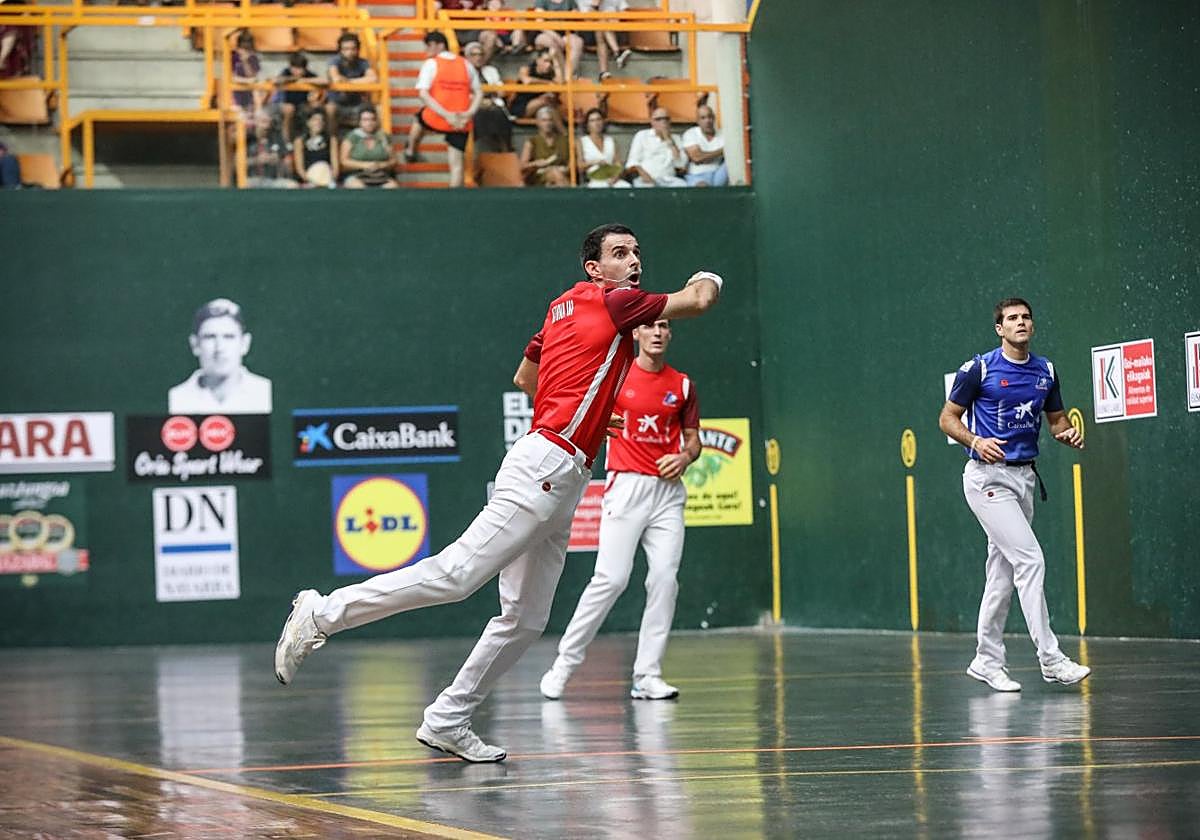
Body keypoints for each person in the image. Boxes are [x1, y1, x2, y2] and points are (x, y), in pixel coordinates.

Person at [274, 223, 724, 763]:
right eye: (620, 253)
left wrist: (587, 411)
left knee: (526, 619)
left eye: (636, 253)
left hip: (561, 471)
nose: (634, 262)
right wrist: (711, 272)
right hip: (545, 468)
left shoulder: (560, 309)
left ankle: (448, 718)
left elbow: (525, 376)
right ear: (594, 268)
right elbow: (699, 299)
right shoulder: (618, 301)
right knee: (457, 574)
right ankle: (322, 613)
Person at [539, 316, 699, 701]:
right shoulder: (617, 378)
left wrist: (684, 457)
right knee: (611, 579)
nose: (658, 332)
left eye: (664, 326)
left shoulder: (682, 385)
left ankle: (647, 675)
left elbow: (693, 440)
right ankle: (563, 665)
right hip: (626, 487)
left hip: (668, 495)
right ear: (637, 333)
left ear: (670, 334)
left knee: (665, 580)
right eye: (651, 327)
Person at [939, 297, 1091, 693]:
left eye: (1025, 317)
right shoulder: (979, 369)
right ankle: (1051, 659)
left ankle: (986, 660)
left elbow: (1056, 420)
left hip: (1024, 480)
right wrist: (976, 440)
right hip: (986, 478)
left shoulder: (1046, 371)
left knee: (1002, 573)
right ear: (1000, 329)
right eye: (1011, 318)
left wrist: (1065, 432)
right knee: (1030, 559)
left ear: (1032, 326)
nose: (1020, 322)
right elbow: (947, 418)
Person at [403, 31, 482, 187]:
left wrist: (446, 114)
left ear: (438, 45)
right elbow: (479, 92)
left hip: (437, 116)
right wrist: (469, 113)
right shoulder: (466, 64)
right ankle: (455, 197)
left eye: (428, 46)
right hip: (460, 120)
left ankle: (410, 149)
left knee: (419, 120)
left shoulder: (431, 64)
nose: (426, 50)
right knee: (457, 164)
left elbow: (423, 94)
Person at [168, 298, 273, 414]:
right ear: (195, 344)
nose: (219, 348)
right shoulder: (175, 399)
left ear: (244, 344)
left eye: (229, 337)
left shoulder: (266, 393)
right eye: (210, 337)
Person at [463, 40, 514, 153]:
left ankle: (506, 149)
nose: (478, 58)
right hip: (473, 106)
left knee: (498, 114)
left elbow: (501, 92)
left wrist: (486, 95)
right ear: (467, 57)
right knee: (480, 115)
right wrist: (482, 99)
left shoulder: (491, 70)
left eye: (481, 54)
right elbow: (464, 94)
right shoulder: (462, 72)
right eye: (474, 55)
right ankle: (474, 151)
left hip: (493, 103)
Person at [325, 33, 378, 130]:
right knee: (330, 109)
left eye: (353, 49)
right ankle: (332, 138)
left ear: (358, 49)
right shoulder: (334, 61)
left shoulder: (363, 62)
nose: (350, 52)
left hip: (357, 104)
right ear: (340, 50)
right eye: (346, 49)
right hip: (337, 103)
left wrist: (348, 81)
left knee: (378, 109)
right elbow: (336, 78)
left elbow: (373, 78)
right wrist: (362, 81)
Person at [624, 107, 687, 187]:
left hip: (669, 179)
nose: (663, 122)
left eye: (666, 119)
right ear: (652, 122)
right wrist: (644, 175)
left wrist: (669, 139)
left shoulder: (676, 138)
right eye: (658, 119)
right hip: (646, 179)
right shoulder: (642, 135)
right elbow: (632, 162)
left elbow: (681, 165)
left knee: (683, 186)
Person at [340, 105, 398, 188]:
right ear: (360, 122)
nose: (369, 123)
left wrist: (381, 165)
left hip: (381, 175)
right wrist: (365, 165)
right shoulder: (352, 137)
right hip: (357, 175)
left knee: (392, 186)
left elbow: (394, 160)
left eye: (372, 119)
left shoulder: (383, 137)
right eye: (365, 120)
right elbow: (344, 161)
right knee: (357, 186)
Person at [272, 52, 324, 143]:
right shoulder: (286, 72)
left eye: (300, 68)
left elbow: (324, 81)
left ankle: (309, 141)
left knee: (315, 107)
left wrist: (304, 80)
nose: (298, 71)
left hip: (302, 105)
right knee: (289, 109)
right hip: (282, 104)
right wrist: (293, 79)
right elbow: (275, 80)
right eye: (295, 68)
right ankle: (287, 142)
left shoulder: (308, 74)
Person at [533, 0, 585, 80]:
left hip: (566, 32)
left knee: (578, 42)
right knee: (551, 42)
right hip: (546, 33)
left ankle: (568, 76)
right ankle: (562, 76)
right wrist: (556, 37)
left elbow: (575, 17)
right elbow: (539, 23)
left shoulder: (570, 1)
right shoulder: (541, 1)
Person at [578, 107, 629, 188]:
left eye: (598, 119)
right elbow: (580, 166)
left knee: (626, 186)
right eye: (592, 120)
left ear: (603, 122)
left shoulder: (611, 141)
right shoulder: (582, 142)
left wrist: (616, 177)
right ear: (587, 124)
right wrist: (595, 162)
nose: (596, 123)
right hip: (594, 179)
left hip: (612, 178)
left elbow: (618, 163)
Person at [244, 110, 296, 188]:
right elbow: (237, 163)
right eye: (263, 122)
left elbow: (286, 159)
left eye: (269, 122)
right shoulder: (247, 139)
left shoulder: (276, 138)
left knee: (292, 185)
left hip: (272, 179)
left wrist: (276, 159)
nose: (267, 126)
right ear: (256, 122)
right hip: (252, 179)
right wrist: (256, 160)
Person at [520, 105, 570, 186]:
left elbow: (571, 162)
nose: (547, 123)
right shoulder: (532, 141)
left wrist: (566, 169)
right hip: (539, 176)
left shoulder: (563, 140)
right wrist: (535, 163)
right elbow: (522, 166)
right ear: (538, 122)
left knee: (556, 177)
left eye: (550, 120)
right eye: (544, 120)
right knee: (555, 173)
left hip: (562, 173)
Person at [508, 49, 562, 120]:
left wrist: (555, 59)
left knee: (550, 104)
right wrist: (548, 83)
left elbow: (560, 84)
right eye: (546, 61)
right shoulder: (526, 69)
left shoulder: (550, 74)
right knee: (547, 101)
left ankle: (561, 127)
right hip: (521, 106)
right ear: (538, 60)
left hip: (541, 105)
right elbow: (527, 81)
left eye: (551, 62)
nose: (549, 65)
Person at [682, 104, 727, 187]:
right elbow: (697, 158)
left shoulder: (723, 133)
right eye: (703, 118)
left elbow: (732, 151)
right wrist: (723, 151)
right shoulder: (691, 133)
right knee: (703, 187)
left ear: (714, 118)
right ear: (697, 121)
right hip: (698, 175)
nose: (707, 121)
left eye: (710, 117)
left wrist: (705, 156)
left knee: (731, 162)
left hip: (718, 173)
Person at [293, 108, 338, 187]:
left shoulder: (331, 140)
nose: (318, 122)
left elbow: (335, 167)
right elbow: (299, 168)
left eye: (321, 120)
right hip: (309, 179)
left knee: (323, 167)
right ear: (308, 122)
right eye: (315, 119)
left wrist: (331, 178)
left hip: (327, 177)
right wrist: (310, 181)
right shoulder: (299, 141)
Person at [478, 0, 527, 64]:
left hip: (508, 35)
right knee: (491, 34)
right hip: (496, 38)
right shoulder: (484, 13)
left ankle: (515, 48)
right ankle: (503, 48)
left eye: (497, 3)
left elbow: (519, 19)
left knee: (518, 30)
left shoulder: (507, 11)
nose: (495, 5)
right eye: (492, 4)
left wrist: (511, 22)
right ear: (488, 5)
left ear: (501, 4)